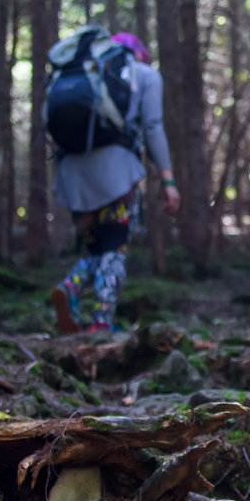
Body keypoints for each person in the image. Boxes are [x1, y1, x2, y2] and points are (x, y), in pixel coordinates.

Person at [49, 31, 180, 333]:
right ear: (139, 54)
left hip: (73, 174)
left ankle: (70, 287)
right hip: (116, 174)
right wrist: (167, 179)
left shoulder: (79, 74)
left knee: (95, 249)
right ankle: (100, 324)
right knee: (116, 248)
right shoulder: (145, 74)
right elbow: (152, 126)